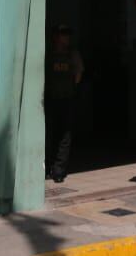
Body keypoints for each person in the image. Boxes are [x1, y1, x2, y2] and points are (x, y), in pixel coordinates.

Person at [44, 24, 84, 183]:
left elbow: (78, 73)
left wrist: (71, 89)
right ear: (55, 37)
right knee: (49, 135)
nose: (66, 37)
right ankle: (47, 167)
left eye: (67, 34)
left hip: (67, 99)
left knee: (64, 136)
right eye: (63, 34)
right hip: (51, 99)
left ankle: (59, 170)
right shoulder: (49, 54)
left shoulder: (72, 54)